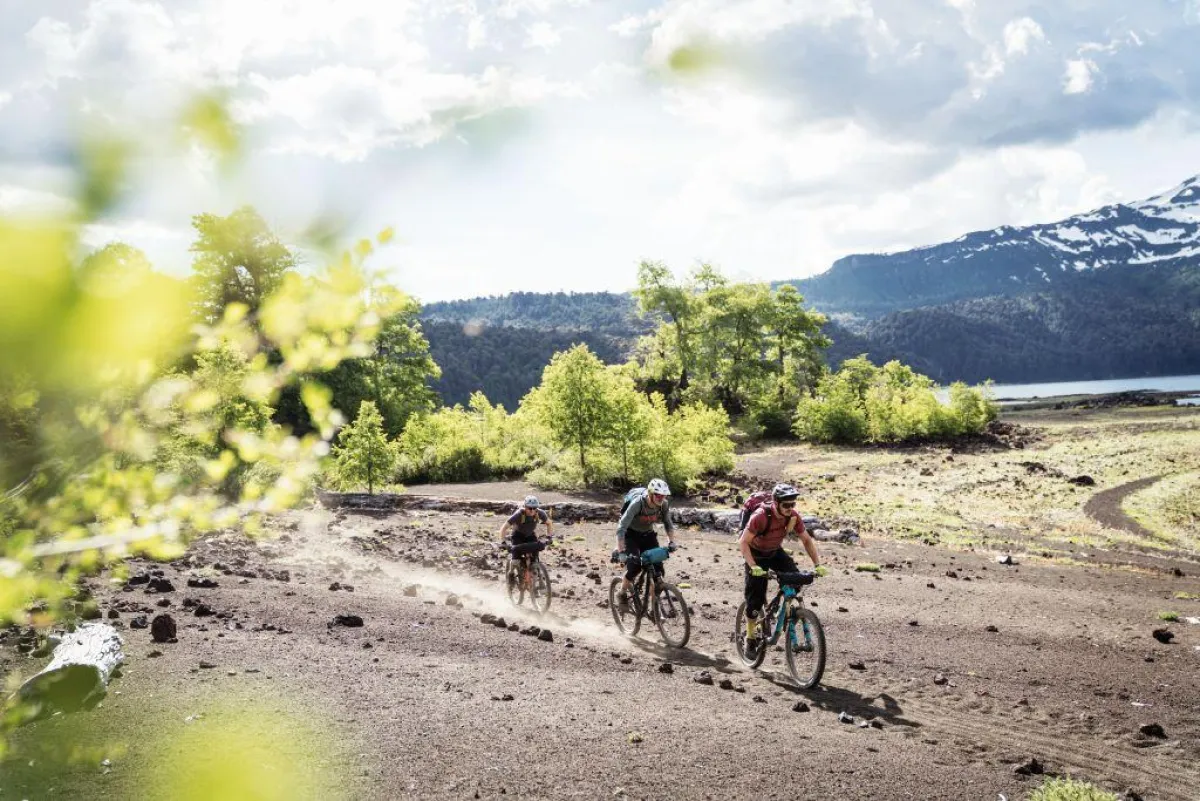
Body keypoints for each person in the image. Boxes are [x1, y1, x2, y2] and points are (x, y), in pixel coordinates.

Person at [739, 483, 821, 646]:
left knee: (797, 580)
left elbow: (806, 540)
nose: (790, 508)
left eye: (793, 504)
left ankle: (783, 610)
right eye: (786, 505)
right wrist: (753, 566)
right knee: (754, 599)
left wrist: (818, 564)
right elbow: (743, 542)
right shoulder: (760, 516)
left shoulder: (793, 516)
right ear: (775, 502)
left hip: (775, 551)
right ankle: (750, 636)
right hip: (756, 555)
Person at [613, 478, 677, 613]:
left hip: (648, 535)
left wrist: (671, 542)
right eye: (658, 495)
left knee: (658, 572)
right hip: (631, 536)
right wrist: (621, 551)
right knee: (635, 567)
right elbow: (621, 527)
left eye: (663, 496)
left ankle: (654, 610)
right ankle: (622, 592)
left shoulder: (663, 505)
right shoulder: (638, 504)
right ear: (650, 493)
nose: (661, 498)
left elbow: (668, 524)